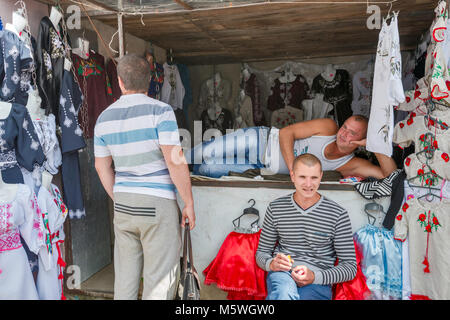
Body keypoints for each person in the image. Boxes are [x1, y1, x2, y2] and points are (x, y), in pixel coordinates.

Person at [94, 54, 195, 300]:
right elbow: (175, 159)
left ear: (119, 82)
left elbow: (101, 167)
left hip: (124, 205)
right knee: (159, 282)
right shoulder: (161, 111)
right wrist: (188, 203)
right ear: (150, 81)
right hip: (157, 204)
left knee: (125, 281)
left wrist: (119, 196)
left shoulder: (103, 118)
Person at [255, 153, 357, 300]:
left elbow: (350, 267)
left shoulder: (338, 214)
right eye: (302, 177)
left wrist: (315, 276)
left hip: (319, 280)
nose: (308, 184)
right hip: (283, 274)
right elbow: (262, 252)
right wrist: (272, 264)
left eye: (314, 178)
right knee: (283, 294)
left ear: (321, 176)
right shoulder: (275, 208)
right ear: (292, 176)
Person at [189, 115, 397, 180]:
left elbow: (390, 175)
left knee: (207, 169)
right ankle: (169, 163)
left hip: (260, 167)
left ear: (362, 140)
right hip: (261, 139)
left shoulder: (352, 164)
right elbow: (286, 132)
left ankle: (179, 174)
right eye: (345, 127)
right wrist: (293, 168)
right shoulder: (328, 127)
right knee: (204, 152)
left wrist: (374, 145)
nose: (343, 134)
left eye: (353, 133)